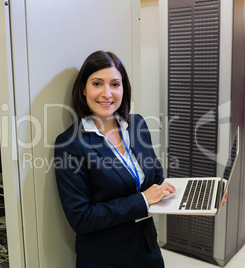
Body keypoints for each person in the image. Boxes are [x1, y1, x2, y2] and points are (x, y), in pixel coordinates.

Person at [54, 50, 176, 267]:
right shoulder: (71, 144)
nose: (107, 93)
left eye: (115, 84)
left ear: (124, 88)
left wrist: (190, 200)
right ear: (83, 88)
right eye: (97, 83)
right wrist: (142, 200)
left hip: (148, 249)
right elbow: (82, 217)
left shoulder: (137, 124)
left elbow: (156, 177)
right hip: (105, 259)